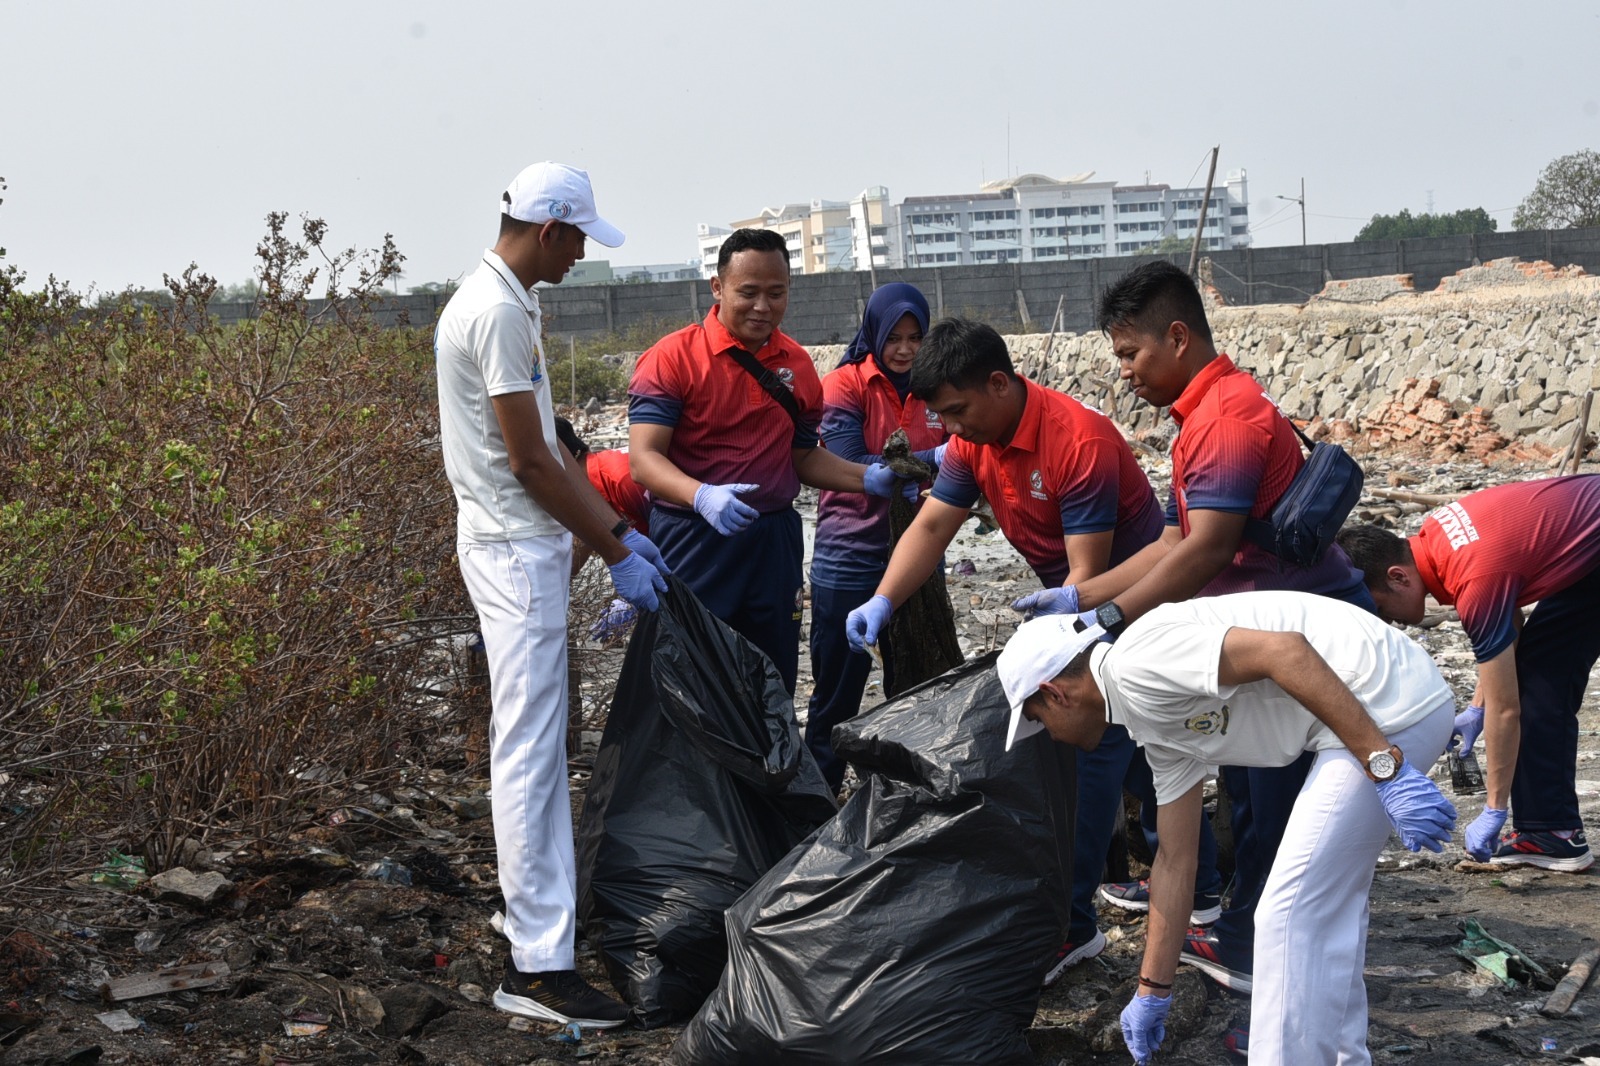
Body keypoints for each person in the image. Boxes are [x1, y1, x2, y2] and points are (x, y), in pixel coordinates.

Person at [843, 316, 1222, 983]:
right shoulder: (971, 441)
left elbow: (1086, 572)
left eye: (959, 411)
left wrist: (1064, 651)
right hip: (1075, 604)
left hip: (1133, 604)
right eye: (943, 418)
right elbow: (933, 524)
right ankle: (1207, 892)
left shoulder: (1076, 440)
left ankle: (1071, 928)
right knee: (1145, 758)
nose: (952, 430)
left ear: (999, 383)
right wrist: (882, 599)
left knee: (1087, 761)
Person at [1043, 260, 1378, 996]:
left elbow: (1206, 552)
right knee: (1255, 796)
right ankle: (1247, 932)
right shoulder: (1199, 416)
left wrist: (1107, 616)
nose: (1124, 370)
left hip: (1306, 639)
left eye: (1131, 354)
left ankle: (1265, 951)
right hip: (1264, 638)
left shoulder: (1226, 418)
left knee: (1275, 805)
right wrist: (1074, 600)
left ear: (1177, 336)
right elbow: (1168, 543)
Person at [998, 592, 1458, 1065]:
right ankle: (1342, 1056)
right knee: (1324, 905)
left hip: (1386, 708)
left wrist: (1384, 767)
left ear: (1056, 692)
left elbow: (1287, 651)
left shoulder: (1137, 663)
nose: (1052, 736)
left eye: (1039, 719)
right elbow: (1175, 861)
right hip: (1376, 712)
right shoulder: (1150, 723)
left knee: (1287, 911)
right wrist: (1152, 989)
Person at [435, 161, 671, 1028]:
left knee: (529, 741)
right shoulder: (497, 310)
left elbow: (547, 446)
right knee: (531, 753)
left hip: (513, 541)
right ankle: (536, 963)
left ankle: (530, 918)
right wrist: (613, 548)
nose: (581, 256)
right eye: (578, 239)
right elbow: (532, 460)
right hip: (512, 549)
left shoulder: (503, 297)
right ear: (548, 230)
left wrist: (611, 528)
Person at [628, 228, 909, 695]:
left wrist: (867, 479)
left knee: (770, 669)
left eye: (776, 294)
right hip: (693, 537)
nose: (763, 307)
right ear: (717, 288)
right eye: (748, 293)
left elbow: (802, 457)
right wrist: (701, 496)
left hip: (773, 540)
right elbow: (643, 458)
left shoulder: (797, 364)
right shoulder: (672, 358)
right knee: (690, 670)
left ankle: (764, 767)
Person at [1338, 475, 1600, 872]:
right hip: (1588, 548)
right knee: (1539, 672)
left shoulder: (1474, 579)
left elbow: (1507, 711)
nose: (1389, 623)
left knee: (1540, 687)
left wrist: (1494, 809)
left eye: (1381, 610)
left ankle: (1552, 831)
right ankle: (1549, 830)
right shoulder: (1435, 536)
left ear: (1397, 576)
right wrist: (1478, 707)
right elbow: (1506, 619)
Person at [806, 283, 946, 790]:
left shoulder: (934, 386)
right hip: (850, 555)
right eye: (895, 338)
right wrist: (934, 462)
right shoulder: (845, 384)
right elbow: (848, 459)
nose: (906, 349)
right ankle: (815, 804)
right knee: (837, 692)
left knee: (917, 685)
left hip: (916, 554)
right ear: (874, 333)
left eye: (915, 337)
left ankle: (907, 802)